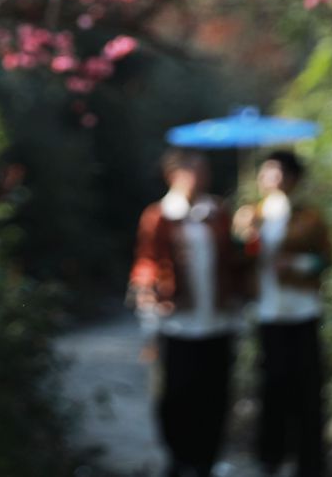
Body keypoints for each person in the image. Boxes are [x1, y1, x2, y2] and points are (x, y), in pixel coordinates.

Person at [128, 149, 240, 477]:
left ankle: (206, 460)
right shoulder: (159, 215)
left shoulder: (218, 212)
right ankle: (178, 458)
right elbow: (147, 259)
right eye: (194, 171)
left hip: (216, 320)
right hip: (178, 322)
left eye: (204, 171)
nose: (201, 178)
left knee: (215, 394)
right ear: (174, 175)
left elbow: (234, 259)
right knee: (177, 394)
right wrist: (147, 290)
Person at [234, 148, 332, 477]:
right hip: (268, 312)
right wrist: (245, 239)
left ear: (292, 178)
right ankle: (270, 457)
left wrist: (295, 263)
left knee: (307, 392)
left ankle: (310, 463)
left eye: (276, 172)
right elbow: (239, 261)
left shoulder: (310, 217)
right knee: (272, 389)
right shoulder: (252, 216)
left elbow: (326, 259)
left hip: (302, 312)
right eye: (265, 172)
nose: (270, 178)